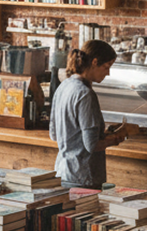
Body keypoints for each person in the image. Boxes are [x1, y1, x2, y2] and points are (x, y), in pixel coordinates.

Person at [48, 39, 127, 188]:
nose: (108, 73)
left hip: (62, 171)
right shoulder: (85, 94)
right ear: (94, 62)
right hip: (83, 177)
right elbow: (91, 145)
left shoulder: (64, 86)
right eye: (107, 67)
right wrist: (116, 138)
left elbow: (54, 134)